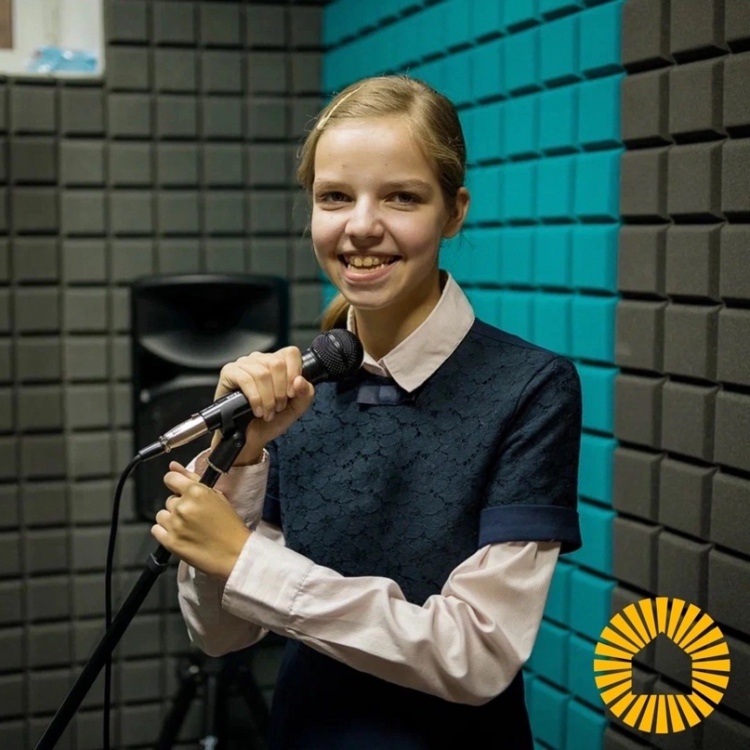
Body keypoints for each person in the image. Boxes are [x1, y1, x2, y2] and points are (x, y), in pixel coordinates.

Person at [152, 75, 582, 749]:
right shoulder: (298, 388)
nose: (359, 226)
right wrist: (240, 461)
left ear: (454, 212)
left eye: (401, 197)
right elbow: (221, 633)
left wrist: (247, 562)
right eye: (335, 197)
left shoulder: (530, 388)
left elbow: (477, 653)